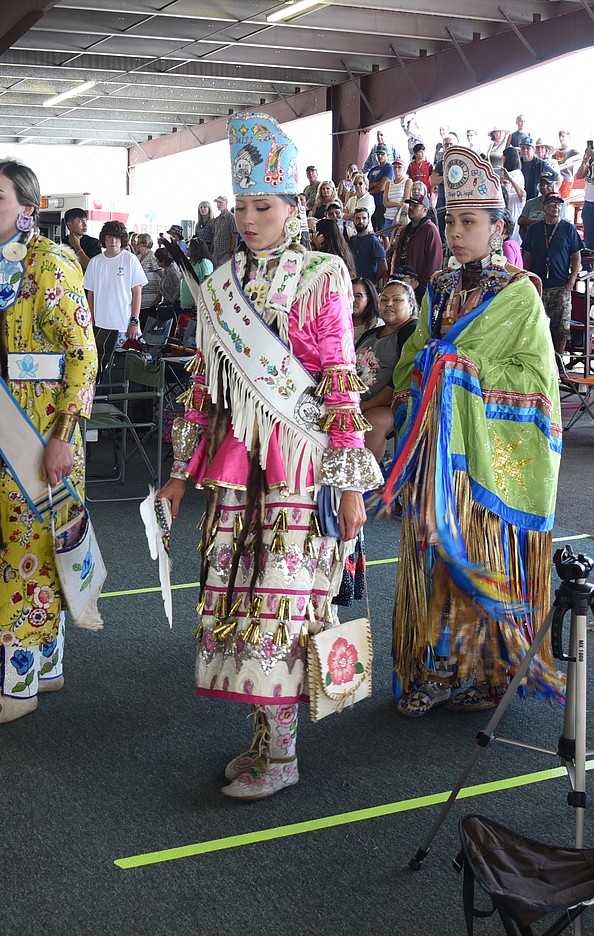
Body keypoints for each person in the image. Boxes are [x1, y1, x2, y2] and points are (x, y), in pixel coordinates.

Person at [158, 114, 378, 801]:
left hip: (299, 465)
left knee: (283, 602)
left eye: (264, 206)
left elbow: (340, 382)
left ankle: (281, 753)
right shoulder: (221, 285)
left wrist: (347, 486)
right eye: (243, 206)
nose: (250, 219)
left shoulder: (324, 277)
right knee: (240, 599)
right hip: (235, 467)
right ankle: (262, 737)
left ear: (293, 207)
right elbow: (202, 384)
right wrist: (174, 476)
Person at [379, 145, 563, 718]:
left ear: (497, 227)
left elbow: (536, 380)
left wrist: (461, 371)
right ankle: (433, 668)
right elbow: (412, 360)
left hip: (481, 459)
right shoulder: (439, 289)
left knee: (475, 556)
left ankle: (486, 669)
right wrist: (423, 373)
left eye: (469, 221)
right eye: (451, 221)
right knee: (433, 556)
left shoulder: (519, 294)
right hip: (436, 452)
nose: (456, 232)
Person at [0, 157, 97, 726]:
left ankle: (17, 687)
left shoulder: (51, 265)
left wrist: (63, 437)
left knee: (23, 550)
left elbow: (83, 355)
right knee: (17, 545)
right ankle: (45, 666)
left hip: (35, 435)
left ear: (28, 208)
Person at [355, 279, 417, 462]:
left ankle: (366, 481)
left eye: (397, 300)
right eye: (384, 299)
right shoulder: (372, 333)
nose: (389, 304)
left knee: (372, 422)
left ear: (411, 304)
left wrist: (364, 406)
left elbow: (400, 381)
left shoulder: (411, 332)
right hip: (357, 400)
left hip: (392, 404)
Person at [522, 193, 583, 353]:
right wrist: (528, 281)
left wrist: (571, 281)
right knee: (536, 325)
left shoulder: (568, 228)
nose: (555, 207)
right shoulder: (534, 230)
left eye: (558, 204)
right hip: (539, 286)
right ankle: (538, 359)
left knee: (561, 327)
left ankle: (560, 361)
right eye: (552, 203)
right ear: (544, 207)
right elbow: (527, 258)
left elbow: (576, 257)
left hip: (560, 286)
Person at [84, 218, 145, 344]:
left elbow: (137, 293)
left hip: (123, 325)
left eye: (117, 238)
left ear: (122, 240)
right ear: (103, 239)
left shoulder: (130, 260)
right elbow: (91, 293)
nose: (113, 241)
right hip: (100, 325)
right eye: (109, 237)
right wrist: (91, 320)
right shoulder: (95, 262)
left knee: (122, 362)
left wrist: (134, 321)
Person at [389, 194, 441, 289]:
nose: (411, 208)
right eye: (410, 205)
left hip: (419, 286)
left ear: (425, 209)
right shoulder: (405, 229)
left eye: (415, 205)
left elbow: (434, 262)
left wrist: (423, 286)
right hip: (403, 282)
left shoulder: (430, 230)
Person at [348, 208, 386, 284]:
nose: (360, 221)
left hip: (367, 283)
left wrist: (372, 281)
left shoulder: (373, 241)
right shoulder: (352, 239)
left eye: (364, 218)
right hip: (352, 282)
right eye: (357, 218)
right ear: (353, 220)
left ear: (368, 221)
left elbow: (383, 267)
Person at [178, 236, 214, 311]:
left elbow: (207, 283)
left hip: (196, 306)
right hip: (184, 305)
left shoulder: (204, 263)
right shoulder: (189, 264)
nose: (187, 249)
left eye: (189, 248)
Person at [500, 147, 527, 246]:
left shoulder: (515, 197)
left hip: (515, 235)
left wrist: (510, 178)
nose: (502, 185)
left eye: (505, 182)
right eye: (501, 182)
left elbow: (523, 194)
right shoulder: (502, 196)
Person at [62, 207, 101, 271]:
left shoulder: (93, 243)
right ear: (69, 225)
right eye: (80, 221)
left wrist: (77, 246)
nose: (85, 225)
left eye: (85, 221)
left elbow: (92, 268)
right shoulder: (63, 243)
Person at [350, 275, 380, 343]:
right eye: (349, 295)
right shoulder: (338, 322)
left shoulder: (376, 325)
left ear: (369, 298)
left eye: (358, 296)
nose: (352, 300)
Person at [212, 195, 238, 268]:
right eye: (217, 203)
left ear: (226, 203)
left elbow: (235, 235)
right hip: (216, 253)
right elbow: (215, 235)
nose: (218, 204)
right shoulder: (217, 219)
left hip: (226, 253)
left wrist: (232, 251)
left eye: (220, 202)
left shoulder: (231, 217)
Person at [579, 142, 594, 254]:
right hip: (588, 201)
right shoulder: (591, 159)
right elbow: (579, 175)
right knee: (588, 237)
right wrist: (584, 162)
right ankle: (589, 267)